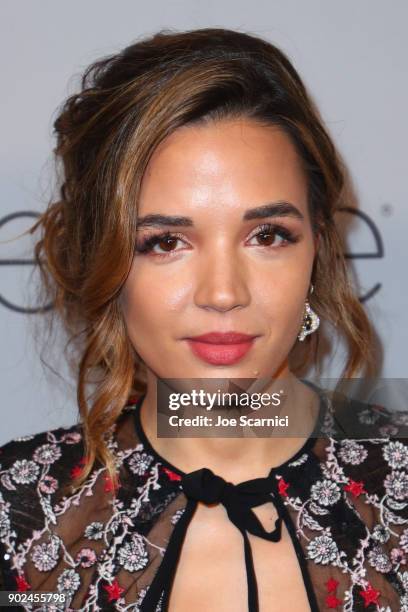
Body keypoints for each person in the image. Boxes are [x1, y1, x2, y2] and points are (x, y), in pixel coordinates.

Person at [0, 27, 407, 612]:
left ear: (317, 247)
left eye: (267, 236)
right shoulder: (18, 517)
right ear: (104, 260)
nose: (223, 293)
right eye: (165, 242)